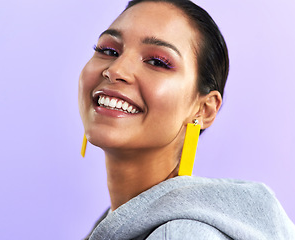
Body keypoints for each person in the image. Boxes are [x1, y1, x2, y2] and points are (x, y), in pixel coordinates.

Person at [78, 0, 295, 239]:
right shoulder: (121, 223)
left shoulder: (180, 234)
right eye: (108, 50)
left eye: (157, 62)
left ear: (204, 109)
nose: (116, 70)